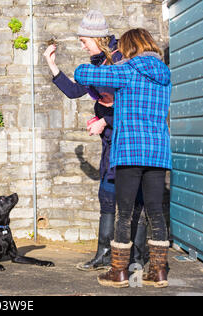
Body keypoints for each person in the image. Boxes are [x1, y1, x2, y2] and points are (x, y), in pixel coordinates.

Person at [43, 10, 147, 272]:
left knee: (134, 199)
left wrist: (106, 120)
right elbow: (74, 90)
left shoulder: (121, 60)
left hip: (130, 141)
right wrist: (51, 64)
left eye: (84, 40)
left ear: (98, 38)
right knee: (106, 196)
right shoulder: (96, 64)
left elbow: (134, 101)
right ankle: (102, 253)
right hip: (110, 142)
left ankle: (137, 256)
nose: (82, 45)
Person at [74, 28, 171, 288]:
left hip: (129, 151)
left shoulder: (127, 70)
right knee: (155, 213)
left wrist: (114, 62)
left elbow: (82, 74)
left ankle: (119, 273)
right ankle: (159, 272)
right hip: (159, 153)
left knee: (125, 213)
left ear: (129, 47)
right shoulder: (165, 73)